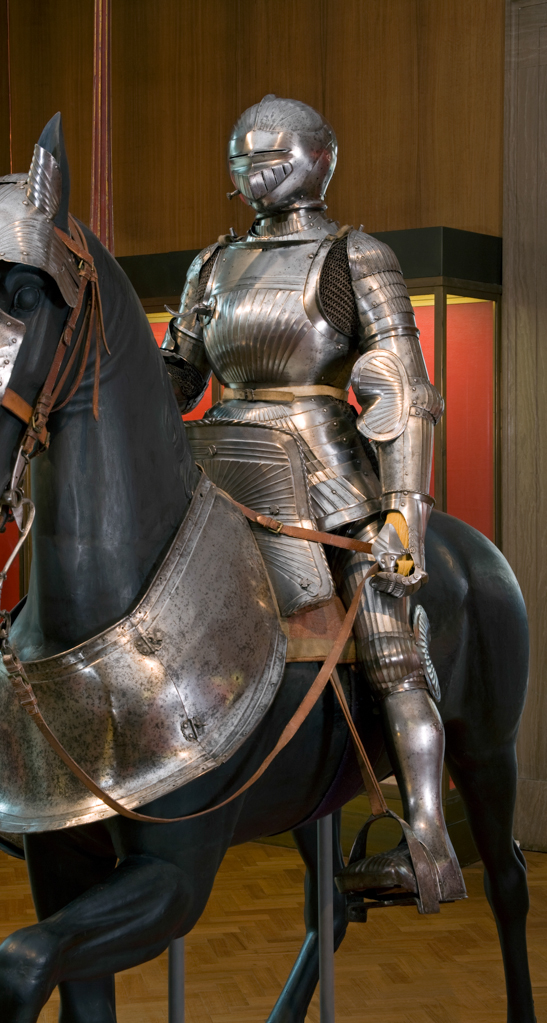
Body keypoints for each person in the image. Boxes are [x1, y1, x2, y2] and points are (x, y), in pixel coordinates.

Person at [160, 94, 465, 903]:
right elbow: (179, 377)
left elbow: (405, 388)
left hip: (321, 471)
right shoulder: (211, 263)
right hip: (216, 465)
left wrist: (404, 507)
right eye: (241, 159)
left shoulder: (353, 257)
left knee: (384, 625)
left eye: (267, 156)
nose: (251, 171)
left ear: (315, 157)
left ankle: (426, 843)